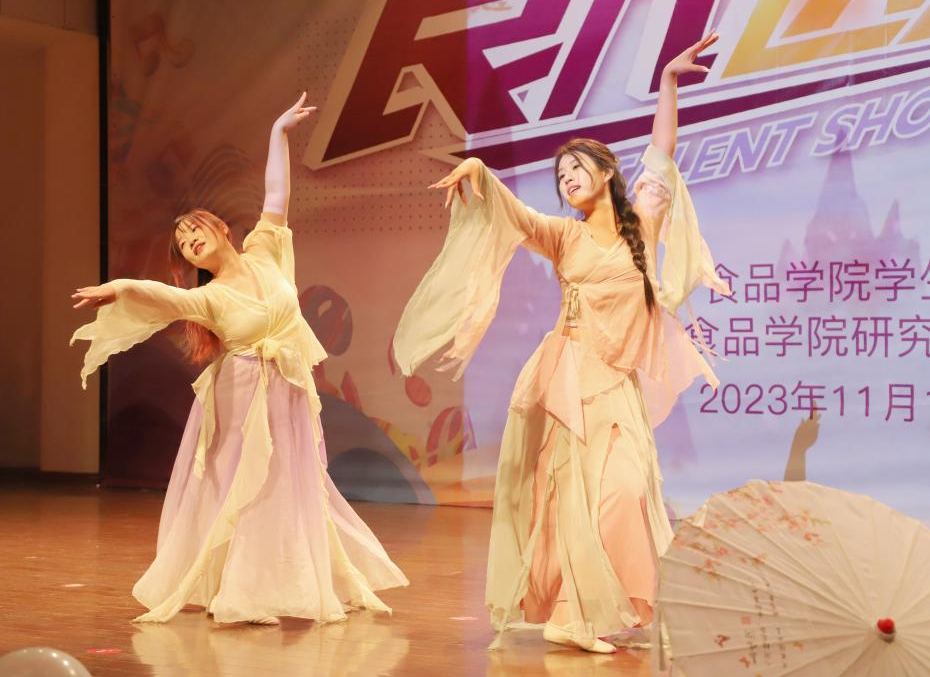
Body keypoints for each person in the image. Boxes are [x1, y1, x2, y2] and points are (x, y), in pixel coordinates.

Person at [394, 33, 729, 652]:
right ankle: (572, 615)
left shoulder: (641, 225)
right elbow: (514, 215)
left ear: (606, 172)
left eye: (577, 169)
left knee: (626, 492)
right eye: (560, 176)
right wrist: (479, 170)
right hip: (569, 378)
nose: (567, 180)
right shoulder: (563, 237)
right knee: (571, 497)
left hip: (617, 384)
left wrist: (667, 82)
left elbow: (661, 154)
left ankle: (590, 608)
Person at [71, 94, 408, 625]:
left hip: (287, 390)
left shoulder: (266, 250)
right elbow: (163, 296)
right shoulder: (208, 297)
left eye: (194, 231)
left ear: (220, 228)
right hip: (240, 395)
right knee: (241, 486)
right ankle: (239, 590)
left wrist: (278, 132)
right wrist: (121, 287)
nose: (189, 242)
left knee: (286, 484)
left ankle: (274, 584)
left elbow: (277, 192)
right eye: (182, 243)